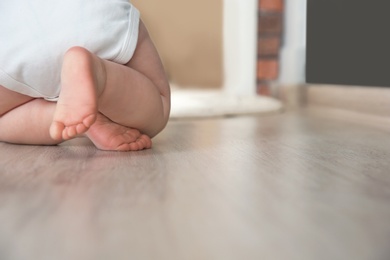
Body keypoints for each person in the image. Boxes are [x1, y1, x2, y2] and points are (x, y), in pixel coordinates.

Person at [0, 0, 170, 151]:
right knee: (158, 105)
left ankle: (71, 116)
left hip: (13, 34)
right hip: (96, 15)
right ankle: (98, 74)